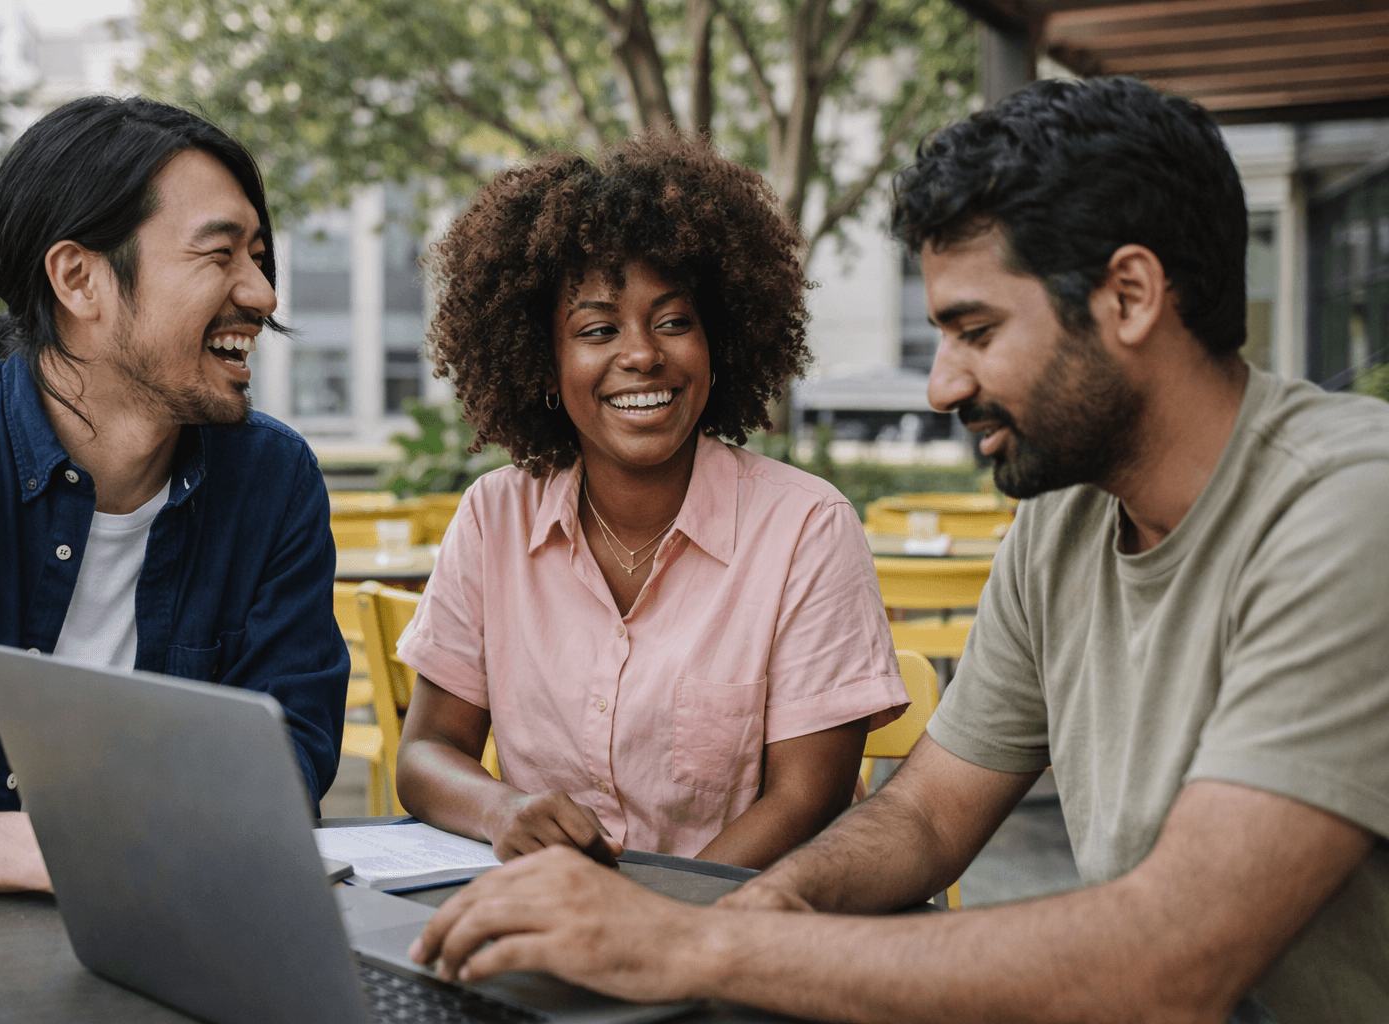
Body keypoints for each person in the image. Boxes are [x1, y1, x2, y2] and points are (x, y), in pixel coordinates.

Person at [408, 77, 1389, 1023]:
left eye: (975, 330)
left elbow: (1169, 964)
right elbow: (922, 819)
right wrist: (741, 913)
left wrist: (686, 943)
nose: (940, 386)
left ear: (1128, 295)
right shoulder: (1065, 519)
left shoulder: (1349, 510)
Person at [0, 97, 350, 892]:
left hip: (180, 948)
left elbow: (286, 760)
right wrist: (71, 851)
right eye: (220, 254)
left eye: (258, 256)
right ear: (79, 279)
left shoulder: (273, 481)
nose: (261, 294)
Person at [393, 132, 910, 869]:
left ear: (719, 343)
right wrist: (503, 810)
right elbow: (428, 752)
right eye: (598, 330)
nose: (641, 354)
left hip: (745, 930)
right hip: (555, 921)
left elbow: (805, 800)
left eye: (674, 321)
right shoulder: (493, 517)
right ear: (543, 363)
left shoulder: (805, 528)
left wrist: (656, 921)